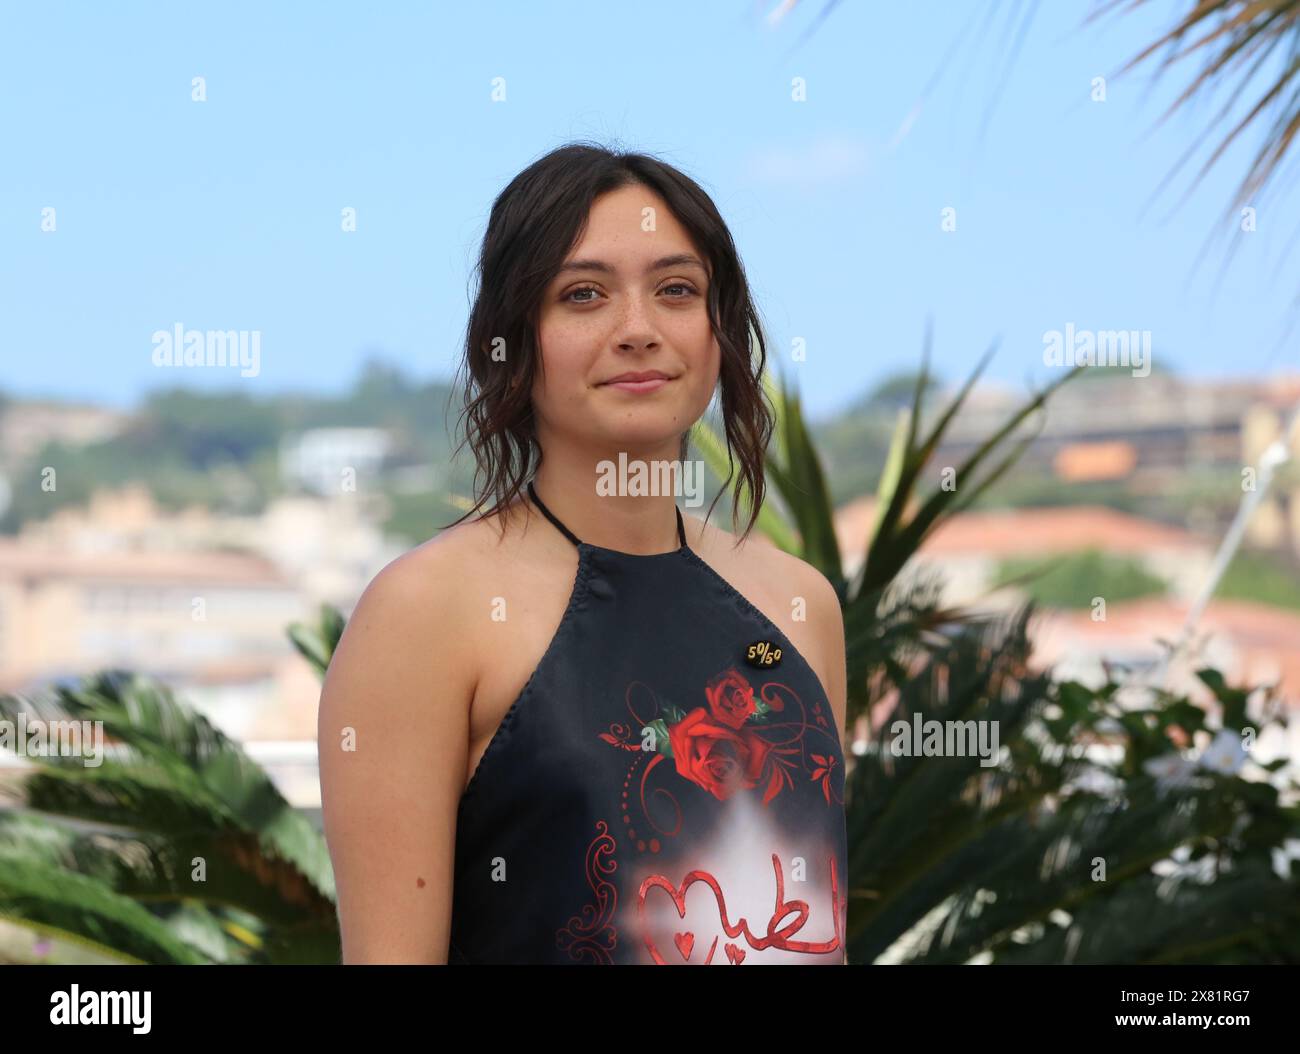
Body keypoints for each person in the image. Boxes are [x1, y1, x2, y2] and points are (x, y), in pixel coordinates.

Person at [318, 142, 849, 964]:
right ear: (513, 338)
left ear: (721, 334)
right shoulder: (426, 611)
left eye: (677, 290)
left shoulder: (800, 606)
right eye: (584, 295)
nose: (637, 330)